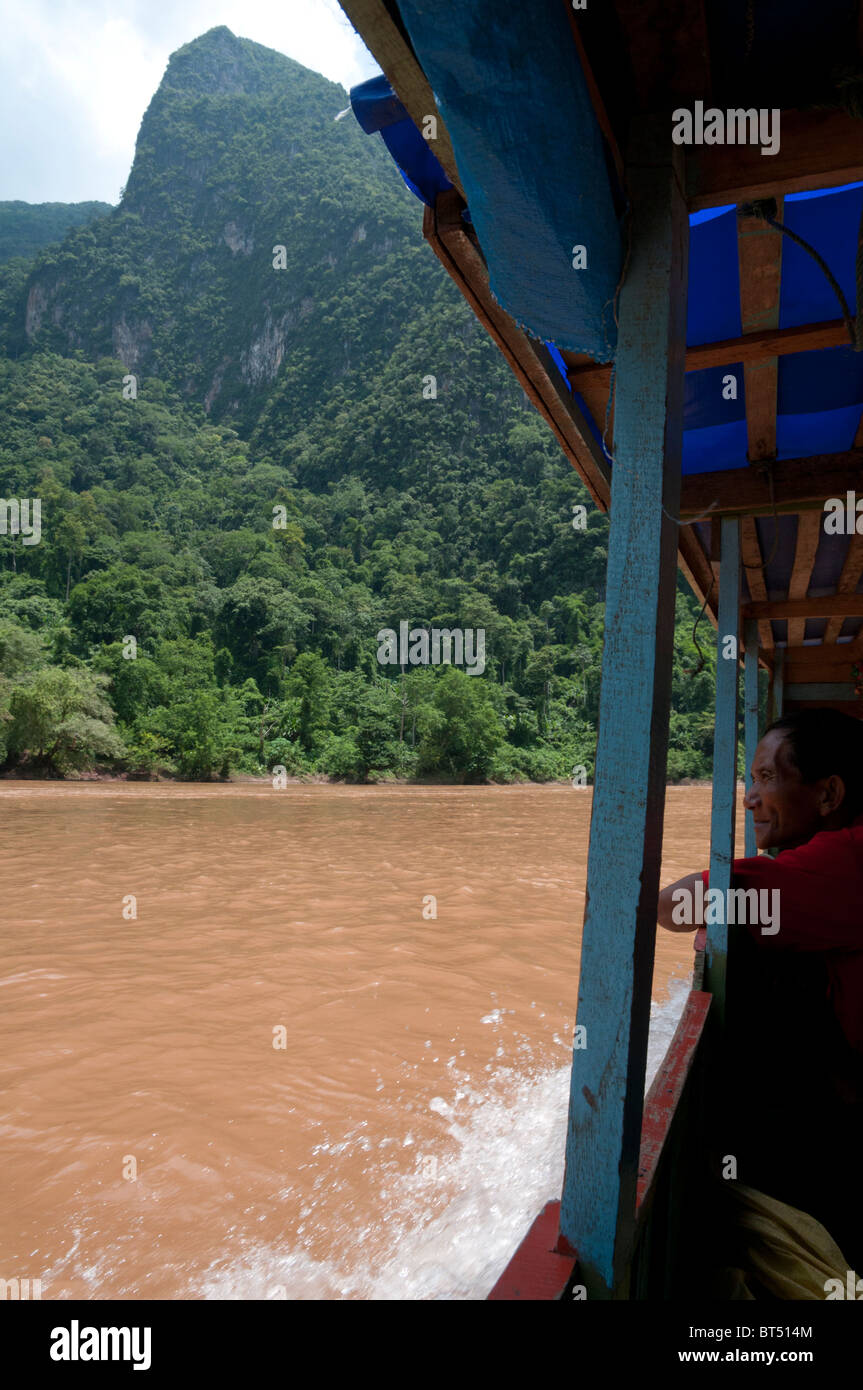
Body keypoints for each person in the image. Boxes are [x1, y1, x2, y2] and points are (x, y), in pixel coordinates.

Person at [658, 708, 863, 1269]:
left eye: (768, 778)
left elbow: (678, 904)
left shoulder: (846, 861)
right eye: (751, 779)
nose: (750, 798)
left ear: (829, 794)